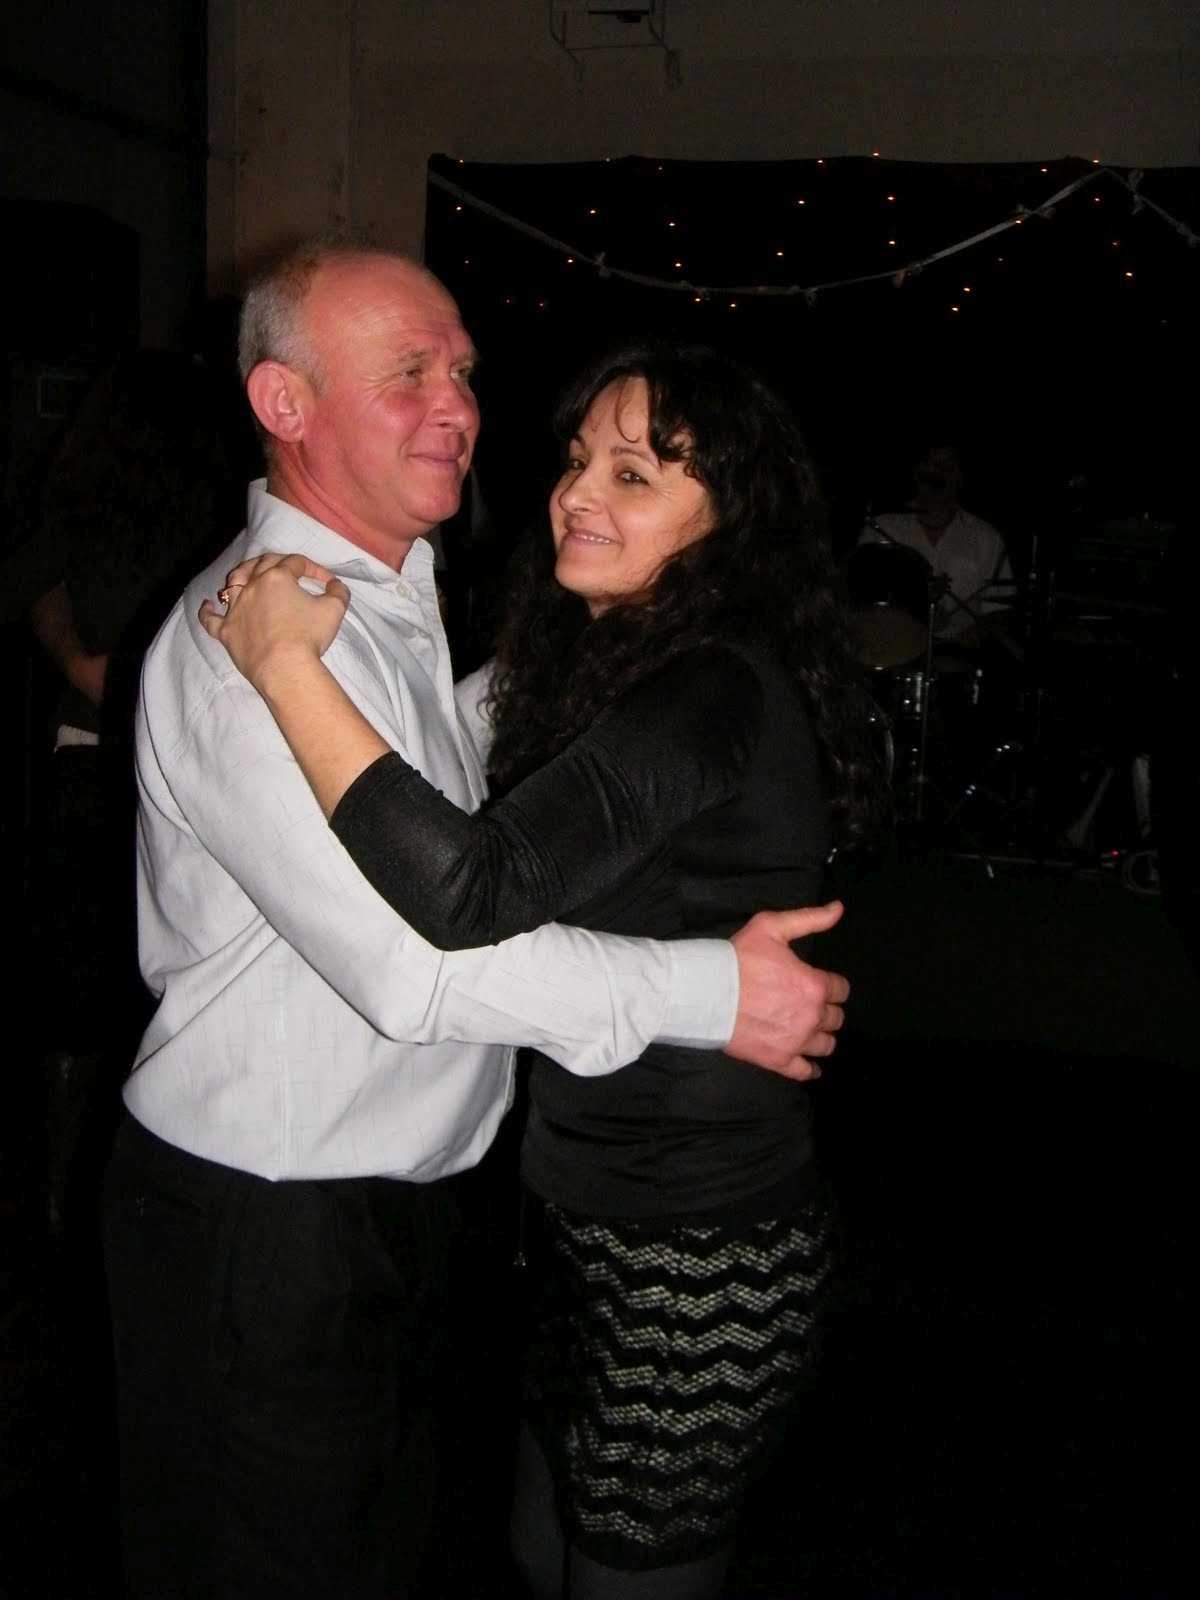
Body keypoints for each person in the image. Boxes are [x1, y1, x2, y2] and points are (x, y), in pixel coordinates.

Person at [105, 244, 851, 1600]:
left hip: (412, 1212)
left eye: (462, 371)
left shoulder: (387, 602)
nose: (457, 406)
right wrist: (713, 993)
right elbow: (419, 964)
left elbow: (457, 774)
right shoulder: (254, 649)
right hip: (271, 1228)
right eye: (409, 375)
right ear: (284, 403)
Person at [858, 441, 1014, 646]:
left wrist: (981, 630)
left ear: (960, 477)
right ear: (915, 472)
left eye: (948, 465)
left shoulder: (987, 537)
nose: (938, 473)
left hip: (959, 653)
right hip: (891, 649)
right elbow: (855, 597)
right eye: (929, 464)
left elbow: (1001, 608)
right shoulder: (880, 528)